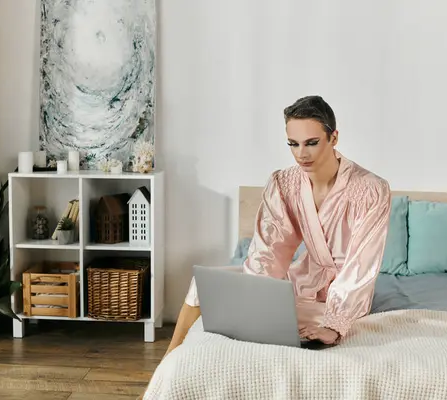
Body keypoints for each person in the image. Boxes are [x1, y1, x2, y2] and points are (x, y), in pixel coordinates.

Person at [165, 95, 391, 356]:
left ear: (334, 138)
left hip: (344, 298)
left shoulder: (371, 189)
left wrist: (334, 325)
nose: (301, 154)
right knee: (200, 284)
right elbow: (269, 250)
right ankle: (167, 360)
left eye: (312, 143)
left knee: (301, 319)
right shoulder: (285, 184)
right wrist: (258, 297)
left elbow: (361, 265)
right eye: (293, 144)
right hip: (299, 283)